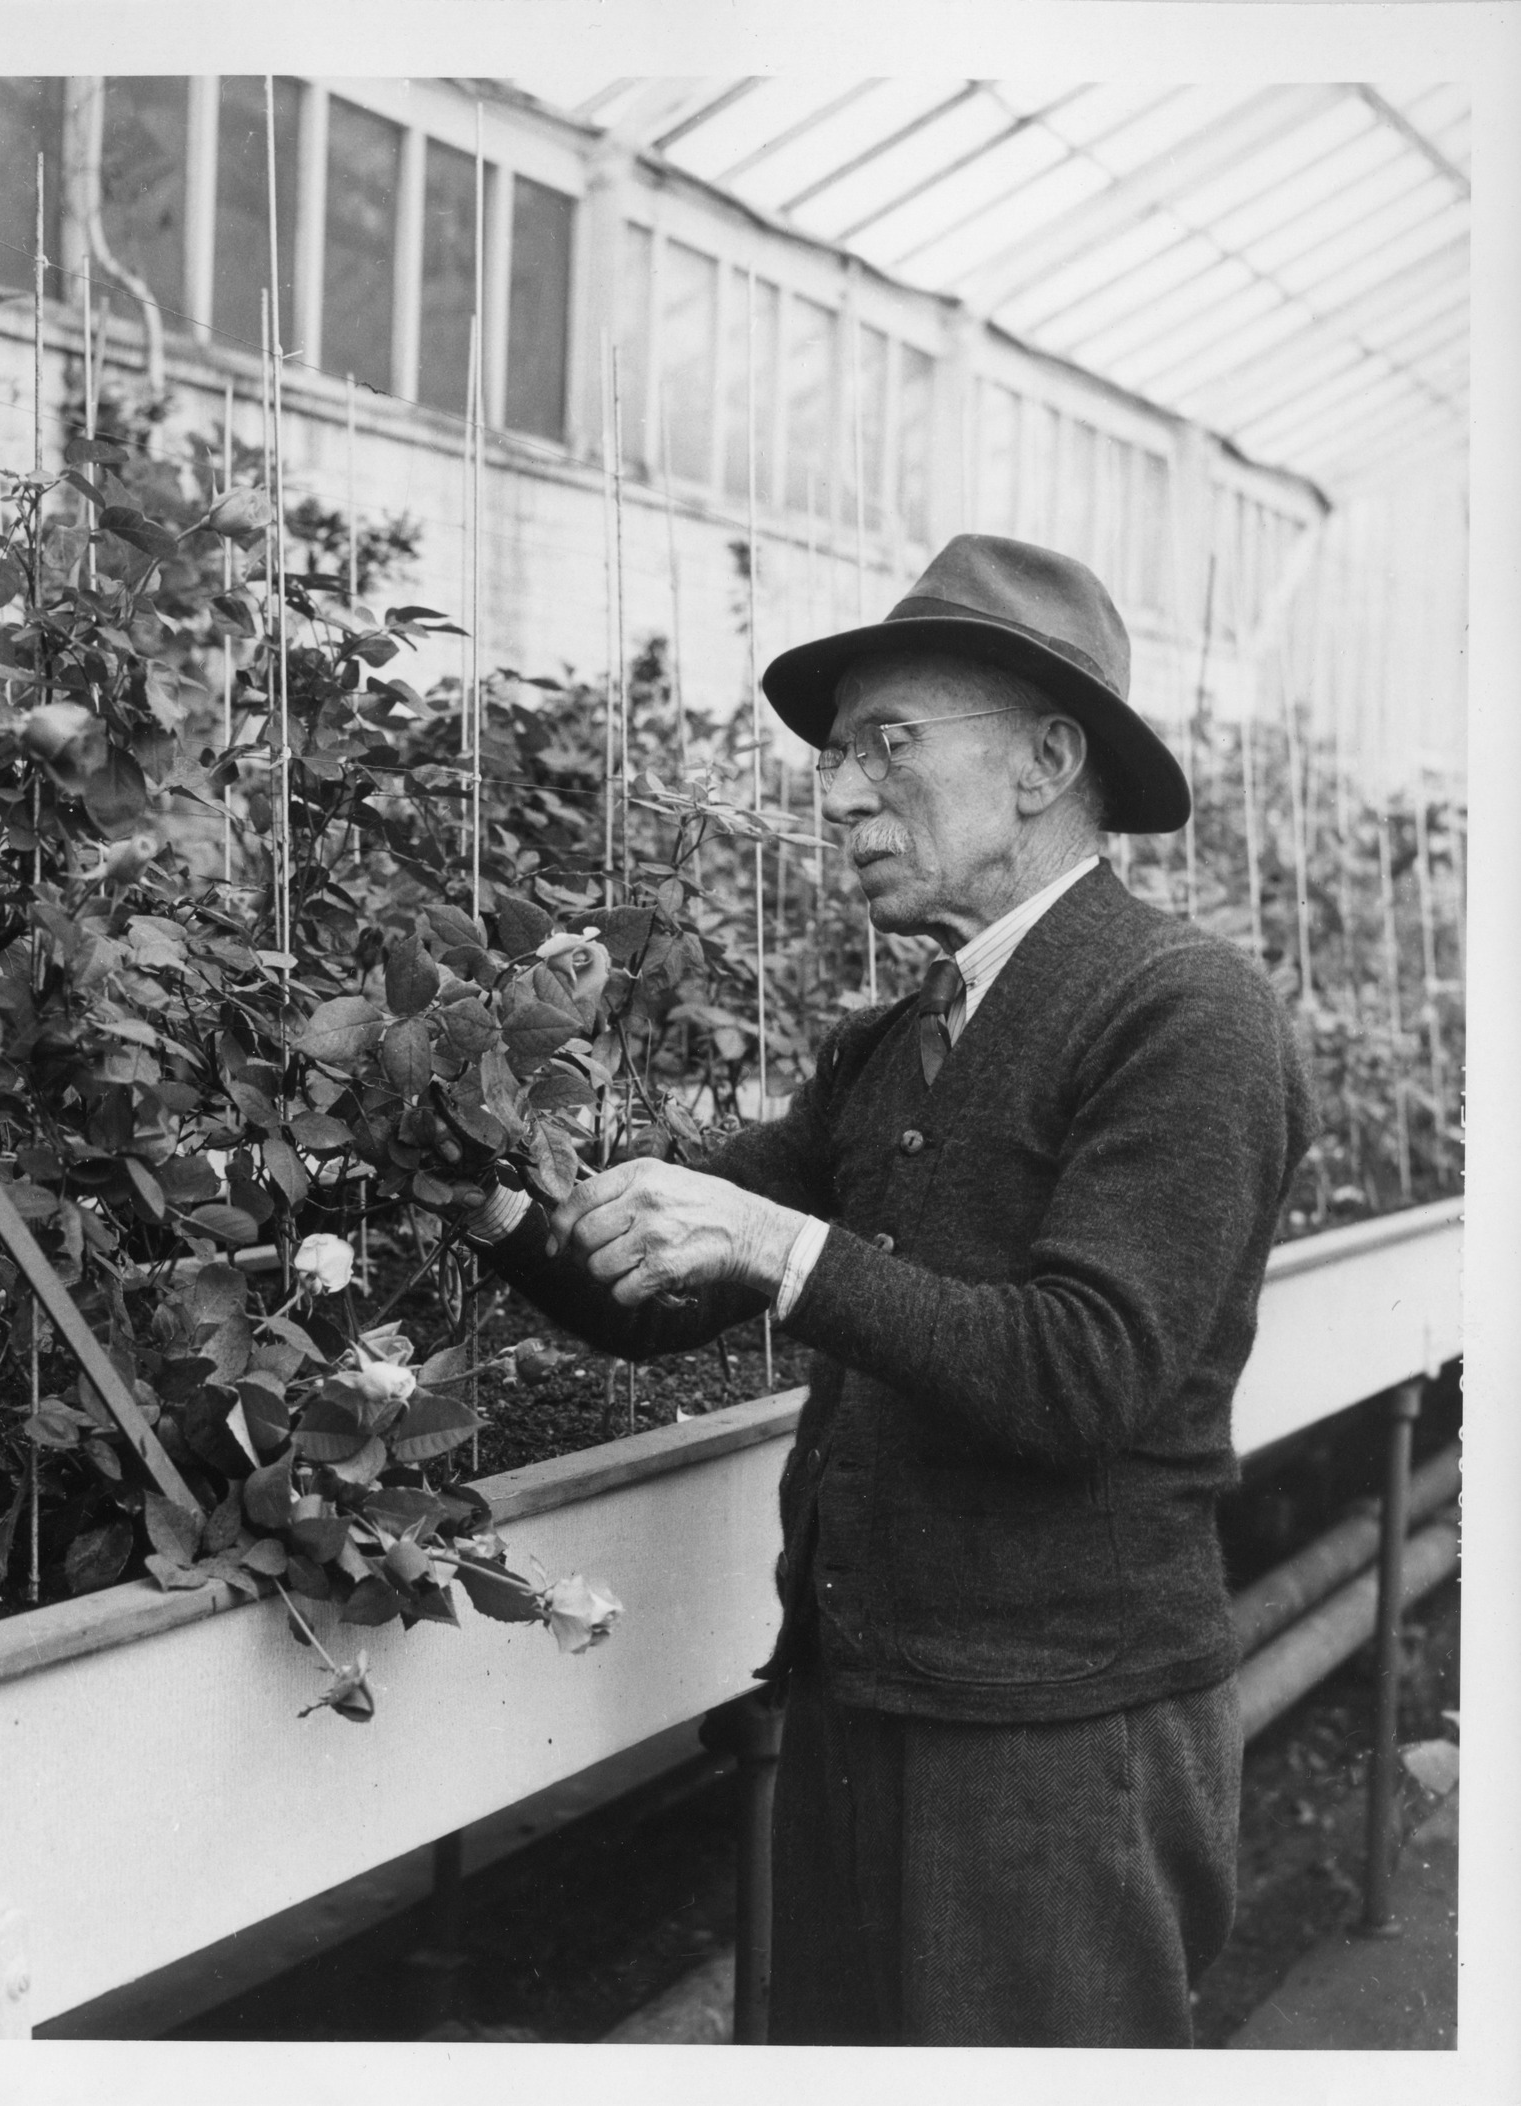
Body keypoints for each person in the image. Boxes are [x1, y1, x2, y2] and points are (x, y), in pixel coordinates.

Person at [460, 535, 1313, 2046]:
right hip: (859, 1707)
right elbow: (655, 1293)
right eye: (835, 756)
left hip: (1056, 1749)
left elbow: (1085, 1372)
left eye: (885, 744)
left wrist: (776, 1241)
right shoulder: (896, 1039)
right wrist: (476, 1174)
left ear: (1049, 758)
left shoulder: (1186, 1016)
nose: (838, 792)